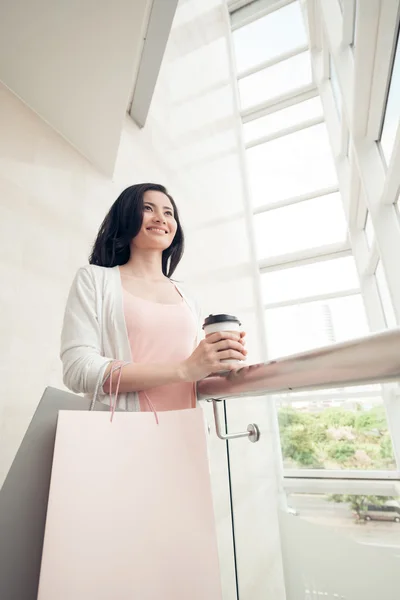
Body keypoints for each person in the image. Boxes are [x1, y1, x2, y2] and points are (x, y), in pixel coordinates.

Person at [60, 183, 247, 412]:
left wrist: (216, 360)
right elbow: (78, 369)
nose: (160, 218)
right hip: (121, 436)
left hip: (184, 434)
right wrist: (183, 369)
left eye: (168, 213)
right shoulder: (95, 279)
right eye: (148, 208)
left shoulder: (187, 297)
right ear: (126, 217)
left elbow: (193, 375)